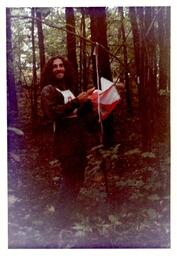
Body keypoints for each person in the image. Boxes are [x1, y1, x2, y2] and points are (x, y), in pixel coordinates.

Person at [40, 55, 98, 219]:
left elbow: (79, 115)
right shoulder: (48, 90)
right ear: (50, 71)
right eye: (55, 66)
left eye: (61, 65)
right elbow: (53, 113)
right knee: (69, 178)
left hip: (78, 140)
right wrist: (76, 102)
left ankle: (68, 213)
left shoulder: (70, 89)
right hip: (64, 142)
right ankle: (60, 217)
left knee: (78, 178)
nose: (58, 68)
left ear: (65, 68)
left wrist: (91, 103)